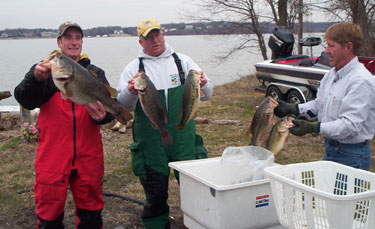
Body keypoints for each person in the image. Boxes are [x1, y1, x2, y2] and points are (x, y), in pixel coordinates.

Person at [14, 21, 114, 228]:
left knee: (92, 214)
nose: (74, 42)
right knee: (49, 217)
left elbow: (108, 113)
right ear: (59, 42)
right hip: (53, 156)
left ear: (82, 42)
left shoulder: (95, 72)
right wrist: (35, 79)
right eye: (68, 37)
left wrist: (102, 117)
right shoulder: (44, 71)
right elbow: (25, 99)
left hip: (89, 155)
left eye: (78, 38)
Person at [117, 18, 213, 228]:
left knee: (194, 187)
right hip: (150, 140)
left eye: (157, 34)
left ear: (163, 35)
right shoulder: (133, 69)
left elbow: (208, 94)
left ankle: (199, 222)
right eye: (148, 37)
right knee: (155, 191)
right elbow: (124, 105)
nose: (154, 40)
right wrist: (130, 91)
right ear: (140, 42)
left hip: (184, 139)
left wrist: (204, 85)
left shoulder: (184, 62)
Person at [274, 22, 375, 171]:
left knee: (342, 194)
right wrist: (294, 108)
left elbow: (351, 126)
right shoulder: (331, 74)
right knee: (328, 192)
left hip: (352, 155)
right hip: (331, 148)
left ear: (348, 47)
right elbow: (319, 104)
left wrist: (314, 127)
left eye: (331, 46)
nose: (326, 51)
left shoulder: (361, 81)